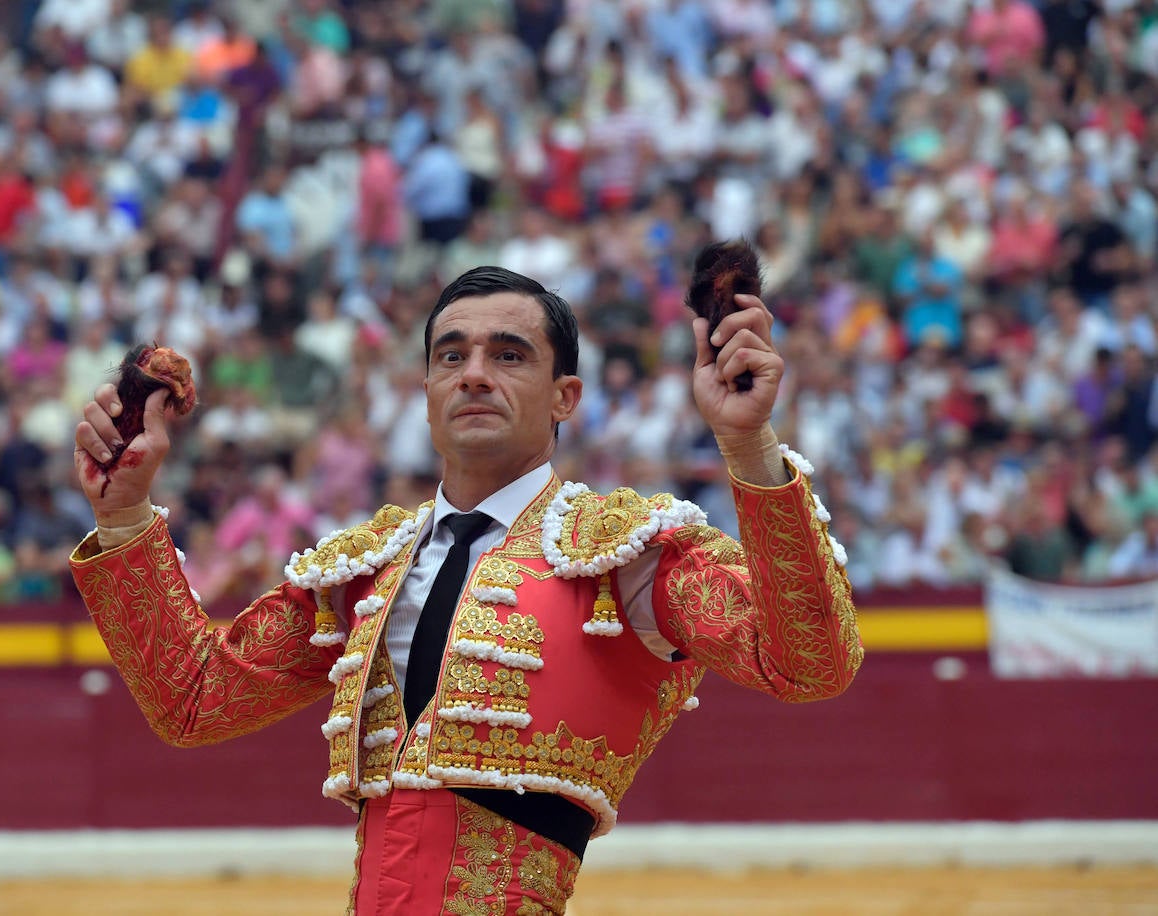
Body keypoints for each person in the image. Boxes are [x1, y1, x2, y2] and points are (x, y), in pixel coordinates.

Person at [68, 266, 861, 913]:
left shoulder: (626, 555)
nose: (475, 374)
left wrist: (749, 445)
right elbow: (195, 700)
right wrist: (125, 513)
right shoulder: (365, 569)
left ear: (566, 398)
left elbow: (810, 663)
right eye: (452, 356)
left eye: (509, 355)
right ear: (425, 390)